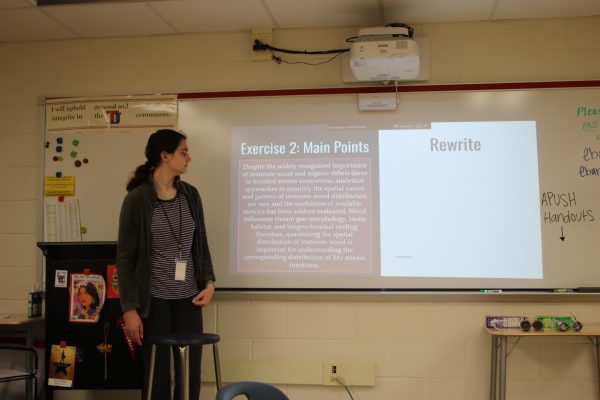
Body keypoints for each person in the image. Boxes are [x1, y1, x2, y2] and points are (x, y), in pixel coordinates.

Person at [116, 129, 216, 400]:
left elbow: (201, 242)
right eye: (183, 151)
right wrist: (130, 309)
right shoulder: (137, 200)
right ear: (165, 155)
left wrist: (209, 282)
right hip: (154, 302)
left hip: (189, 300)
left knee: (189, 376)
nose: (189, 158)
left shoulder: (190, 195)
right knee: (157, 376)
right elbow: (125, 259)